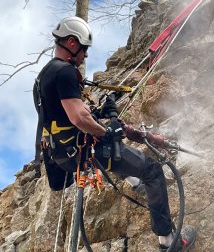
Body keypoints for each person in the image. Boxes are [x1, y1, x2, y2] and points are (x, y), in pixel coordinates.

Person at [33, 16, 196, 251]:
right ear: (71, 42)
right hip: (81, 150)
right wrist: (106, 131)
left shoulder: (44, 76)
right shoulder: (64, 72)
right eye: (84, 48)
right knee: (152, 170)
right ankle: (168, 240)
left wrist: (95, 113)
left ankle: (134, 180)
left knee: (115, 152)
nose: (85, 55)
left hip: (62, 153)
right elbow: (78, 118)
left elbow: (64, 113)